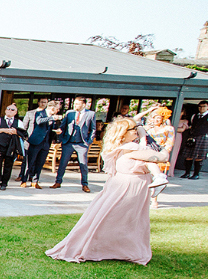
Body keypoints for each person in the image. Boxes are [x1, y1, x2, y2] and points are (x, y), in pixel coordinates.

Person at [46, 118, 167, 265]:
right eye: (132, 129)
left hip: (127, 186)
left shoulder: (122, 146)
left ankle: (117, 249)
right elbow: (163, 157)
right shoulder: (131, 147)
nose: (136, 130)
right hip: (128, 188)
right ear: (123, 133)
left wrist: (142, 136)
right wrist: (161, 146)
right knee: (123, 220)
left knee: (119, 220)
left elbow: (145, 150)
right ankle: (110, 248)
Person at [51, 96, 96, 192]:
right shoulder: (69, 113)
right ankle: (58, 182)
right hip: (68, 142)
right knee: (63, 163)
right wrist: (61, 137)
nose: (75, 105)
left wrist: (89, 141)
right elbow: (63, 126)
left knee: (83, 164)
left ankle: (84, 184)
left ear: (83, 104)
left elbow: (93, 129)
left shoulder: (91, 114)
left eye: (77, 104)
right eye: (74, 103)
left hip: (82, 143)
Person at [22, 99, 62, 189]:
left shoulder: (53, 117)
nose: (58, 111)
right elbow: (39, 121)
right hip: (36, 141)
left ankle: (35, 181)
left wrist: (57, 131)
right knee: (30, 162)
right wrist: (52, 118)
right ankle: (24, 180)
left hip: (46, 143)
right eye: (57, 109)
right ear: (52, 108)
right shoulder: (40, 113)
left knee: (40, 162)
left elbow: (52, 128)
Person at [0, 102, 25, 191]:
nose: (10, 111)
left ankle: (4, 183)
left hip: (12, 146)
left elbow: (23, 133)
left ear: (15, 112)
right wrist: (5, 130)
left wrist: (15, 131)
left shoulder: (19, 122)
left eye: (12, 109)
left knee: (8, 165)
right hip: (0, 145)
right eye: (8, 109)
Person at [144, 107, 175, 208]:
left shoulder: (168, 129)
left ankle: (154, 200)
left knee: (157, 179)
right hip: (148, 154)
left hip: (160, 155)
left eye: (158, 118)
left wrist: (163, 154)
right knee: (147, 177)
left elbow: (170, 143)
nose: (156, 120)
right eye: (154, 118)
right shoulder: (148, 129)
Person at [17, 98, 48, 185]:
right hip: (30, 140)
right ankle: (22, 176)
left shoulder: (47, 114)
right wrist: (25, 138)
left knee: (38, 160)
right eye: (42, 102)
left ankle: (33, 177)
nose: (43, 104)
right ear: (38, 102)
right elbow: (24, 127)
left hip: (42, 142)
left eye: (45, 102)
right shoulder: (30, 113)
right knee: (27, 160)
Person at [180, 100, 208, 180]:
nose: (201, 108)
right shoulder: (194, 116)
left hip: (203, 137)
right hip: (193, 137)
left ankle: (196, 174)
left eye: (204, 106)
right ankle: (187, 173)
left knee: (199, 156)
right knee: (188, 155)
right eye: (200, 106)